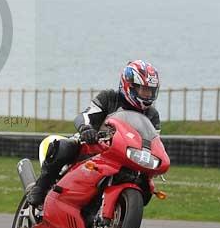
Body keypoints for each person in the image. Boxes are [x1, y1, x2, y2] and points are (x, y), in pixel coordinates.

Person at [26, 60, 161, 207]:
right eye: (144, 90)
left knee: (147, 187)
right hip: (92, 146)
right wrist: (86, 129)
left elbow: (154, 141)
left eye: (150, 91)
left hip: (124, 157)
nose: (147, 95)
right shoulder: (109, 98)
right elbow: (85, 115)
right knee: (64, 147)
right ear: (130, 86)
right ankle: (40, 189)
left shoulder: (152, 115)